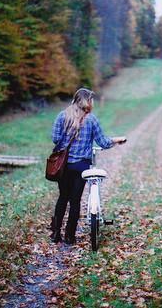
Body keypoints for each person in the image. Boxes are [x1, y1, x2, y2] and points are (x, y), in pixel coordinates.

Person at [49, 87, 126, 244]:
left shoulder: (62, 116)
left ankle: (56, 234)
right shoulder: (91, 119)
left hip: (63, 166)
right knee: (75, 200)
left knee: (63, 197)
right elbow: (102, 142)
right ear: (87, 101)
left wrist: (67, 139)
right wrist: (116, 140)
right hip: (81, 166)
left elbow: (55, 138)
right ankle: (70, 236)